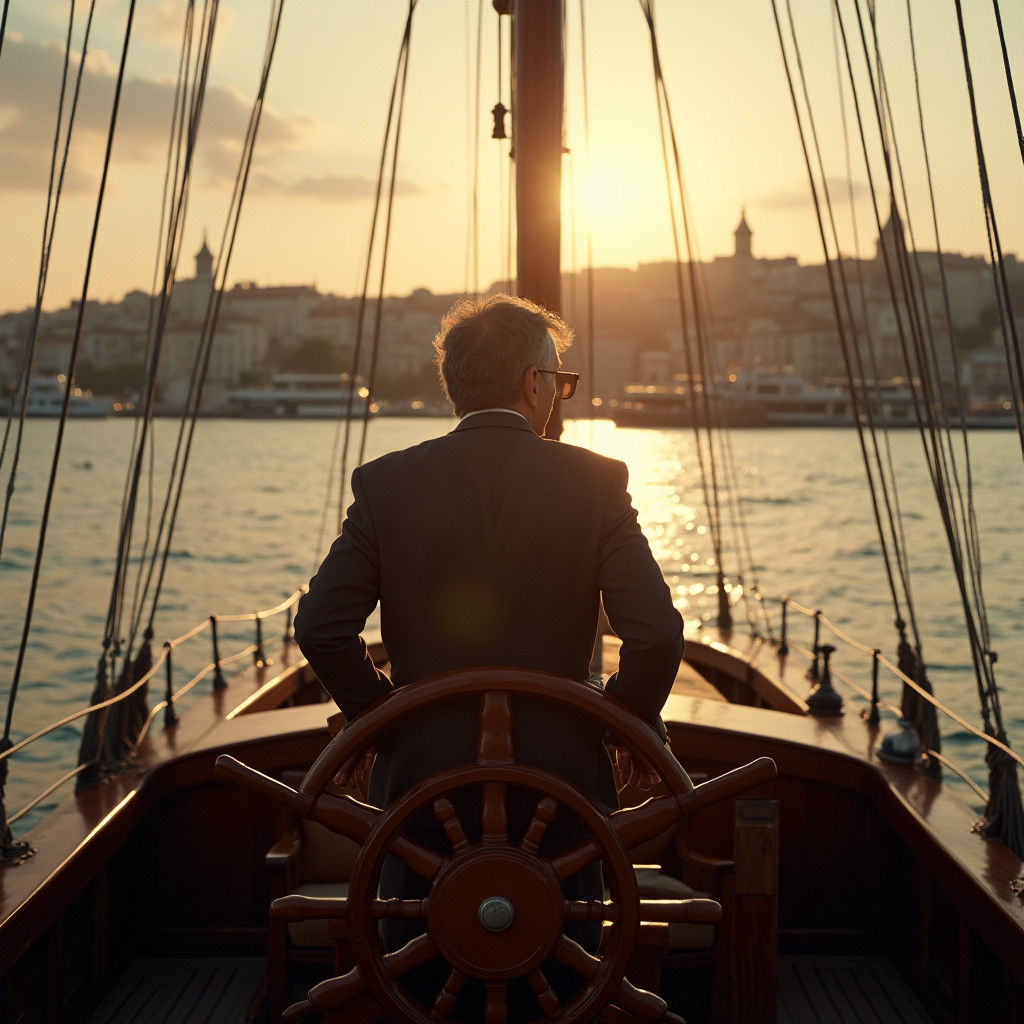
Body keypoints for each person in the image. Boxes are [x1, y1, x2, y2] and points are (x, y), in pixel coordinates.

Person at [293, 293, 683, 983]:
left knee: (416, 971)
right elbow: (654, 635)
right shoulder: (597, 483)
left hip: (421, 785)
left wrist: (379, 720)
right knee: (567, 966)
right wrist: (624, 727)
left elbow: (322, 628)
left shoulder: (386, 484)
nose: (558, 398)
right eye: (560, 384)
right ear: (534, 384)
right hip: (561, 791)